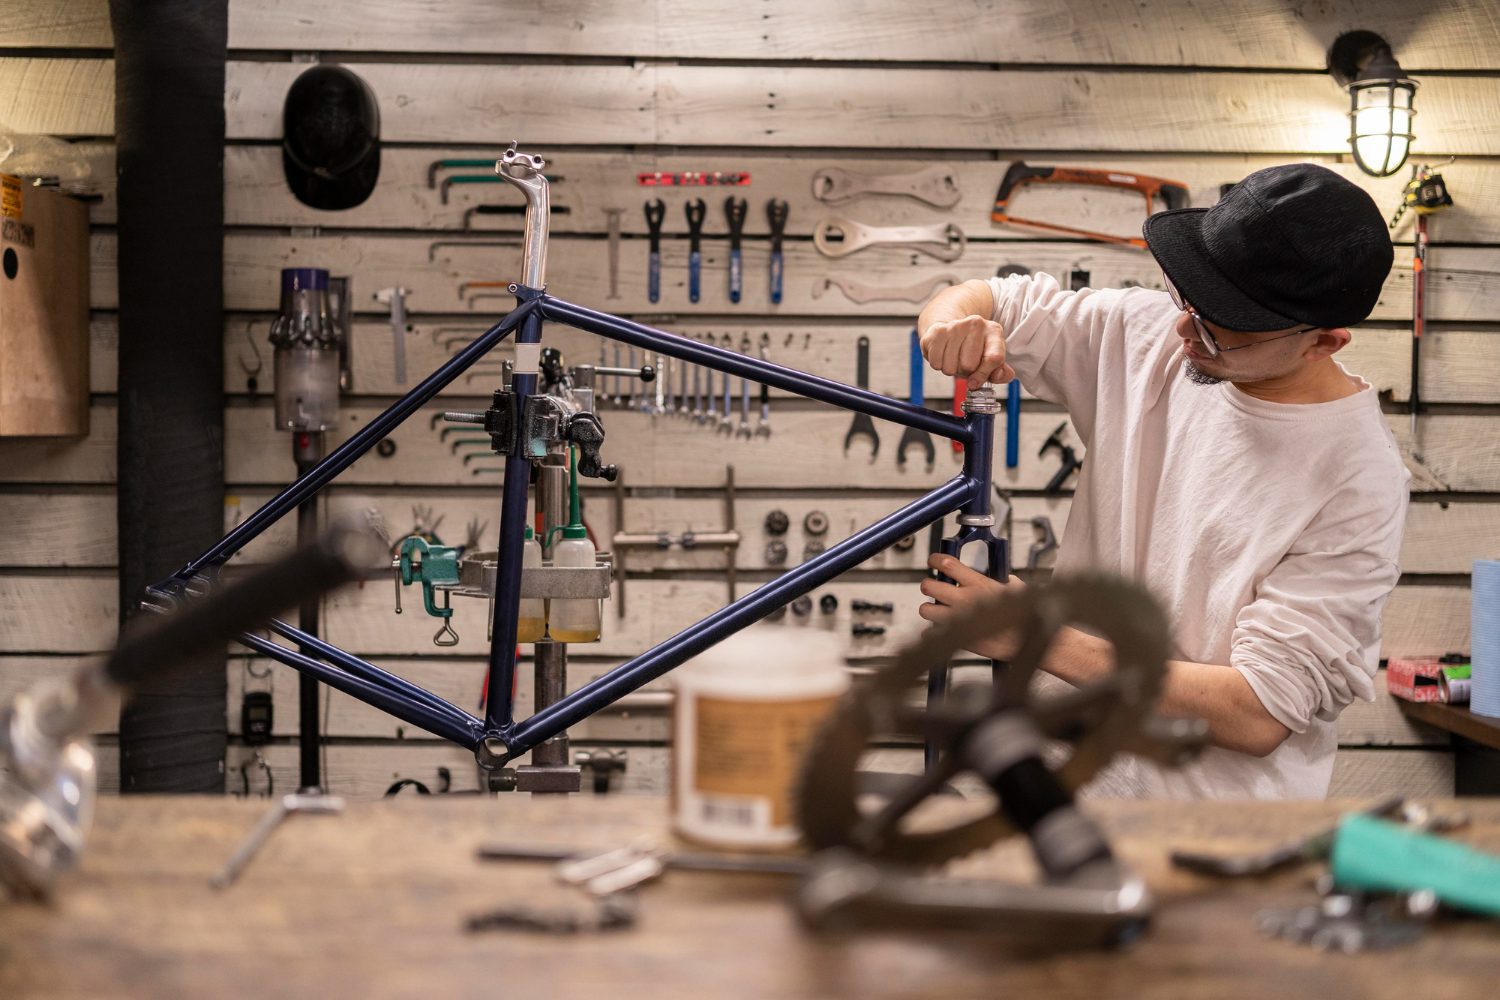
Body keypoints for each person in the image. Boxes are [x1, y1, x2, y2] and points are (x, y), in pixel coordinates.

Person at [915, 163, 1409, 798]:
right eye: (1188, 301)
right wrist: (951, 326)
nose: (1184, 333)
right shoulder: (1149, 333)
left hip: (1205, 831)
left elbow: (1258, 712)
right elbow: (990, 298)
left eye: (1217, 329)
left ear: (1324, 342)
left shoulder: (1358, 480)